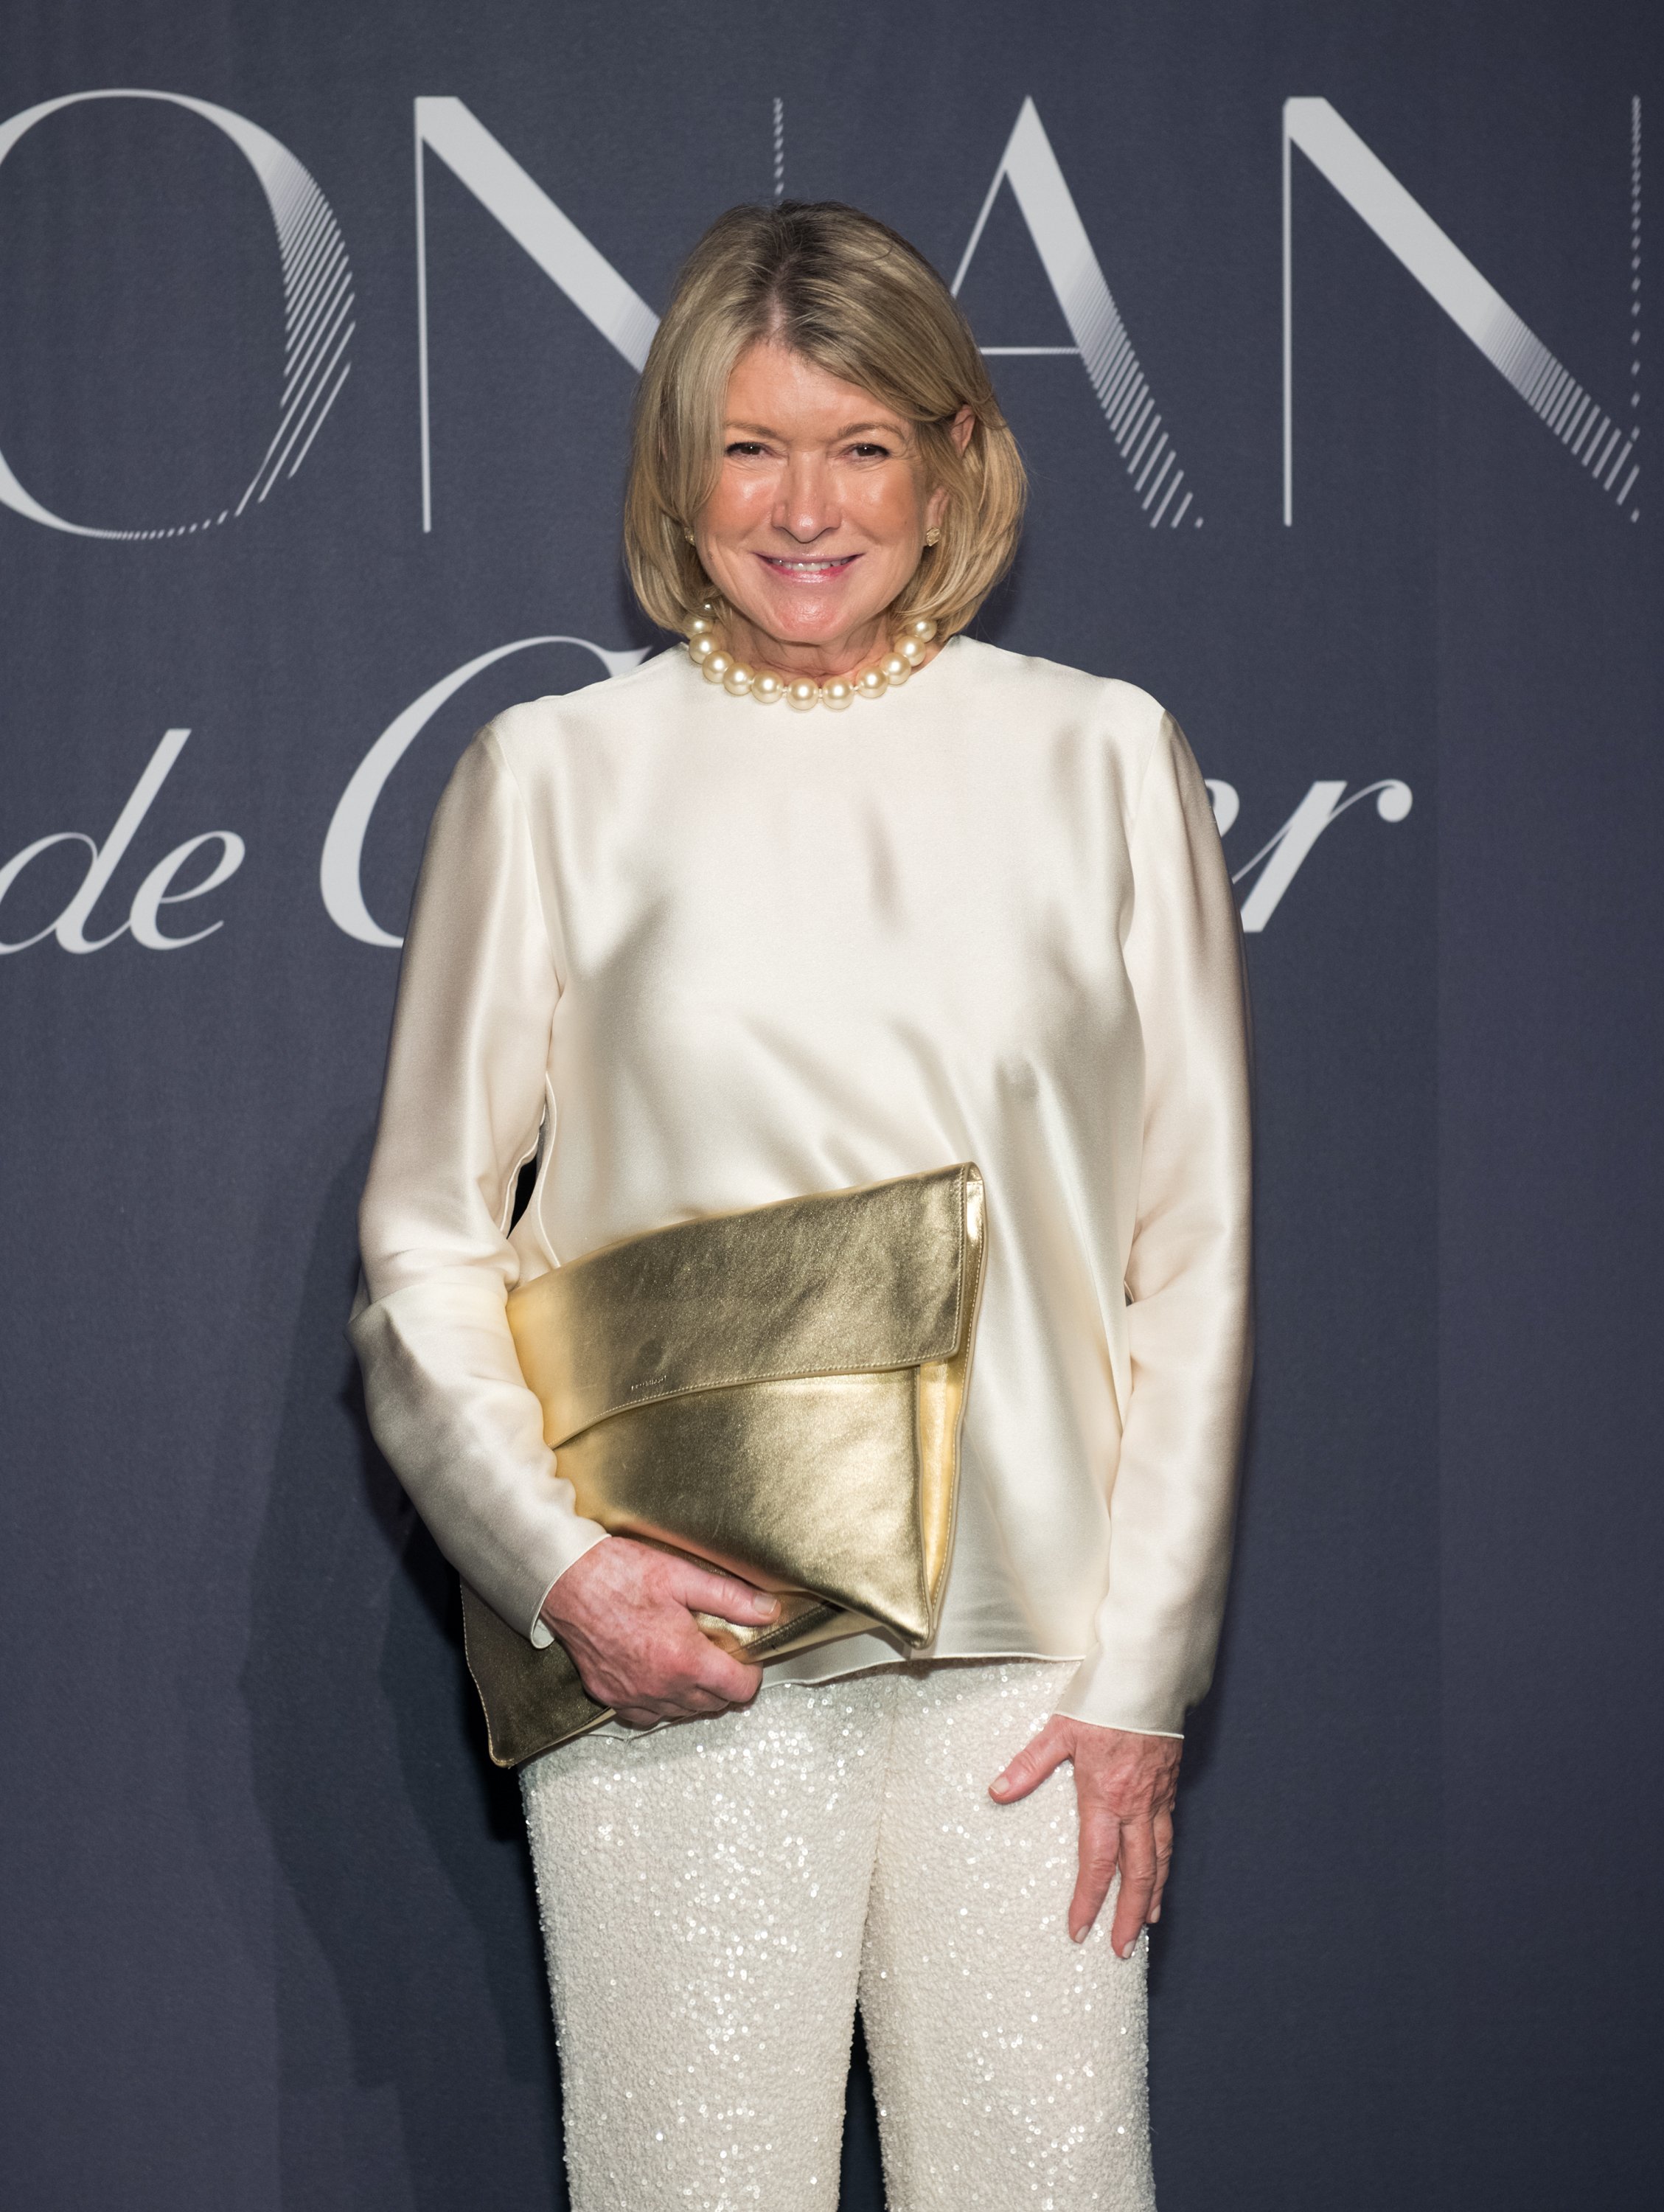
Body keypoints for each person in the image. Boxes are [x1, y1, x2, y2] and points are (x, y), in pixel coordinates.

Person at [352, 199, 1252, 2212]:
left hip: (1038, 1675)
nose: (805, 506)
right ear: (681, 473)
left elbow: (1182, 1256)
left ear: (951, 461)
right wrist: (561, 1572)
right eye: (750, 446)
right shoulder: (556, 775)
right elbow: (422, 1236)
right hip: (687, 1653)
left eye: (861, 444)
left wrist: (1143, 1673)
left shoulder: (1102, 759)